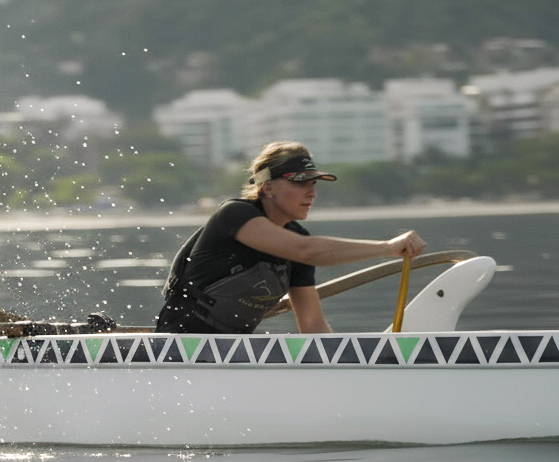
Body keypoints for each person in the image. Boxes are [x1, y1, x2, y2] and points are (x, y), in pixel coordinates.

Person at [156, 142, 427, 335]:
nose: (311, 193)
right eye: (300, 182)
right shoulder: (234, 214)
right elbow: (307, 252)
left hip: (229, 350)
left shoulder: (297, 238)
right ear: (267, 187)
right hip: (179, 343)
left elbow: (313, 327)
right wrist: (387, 247)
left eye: (314, 184)